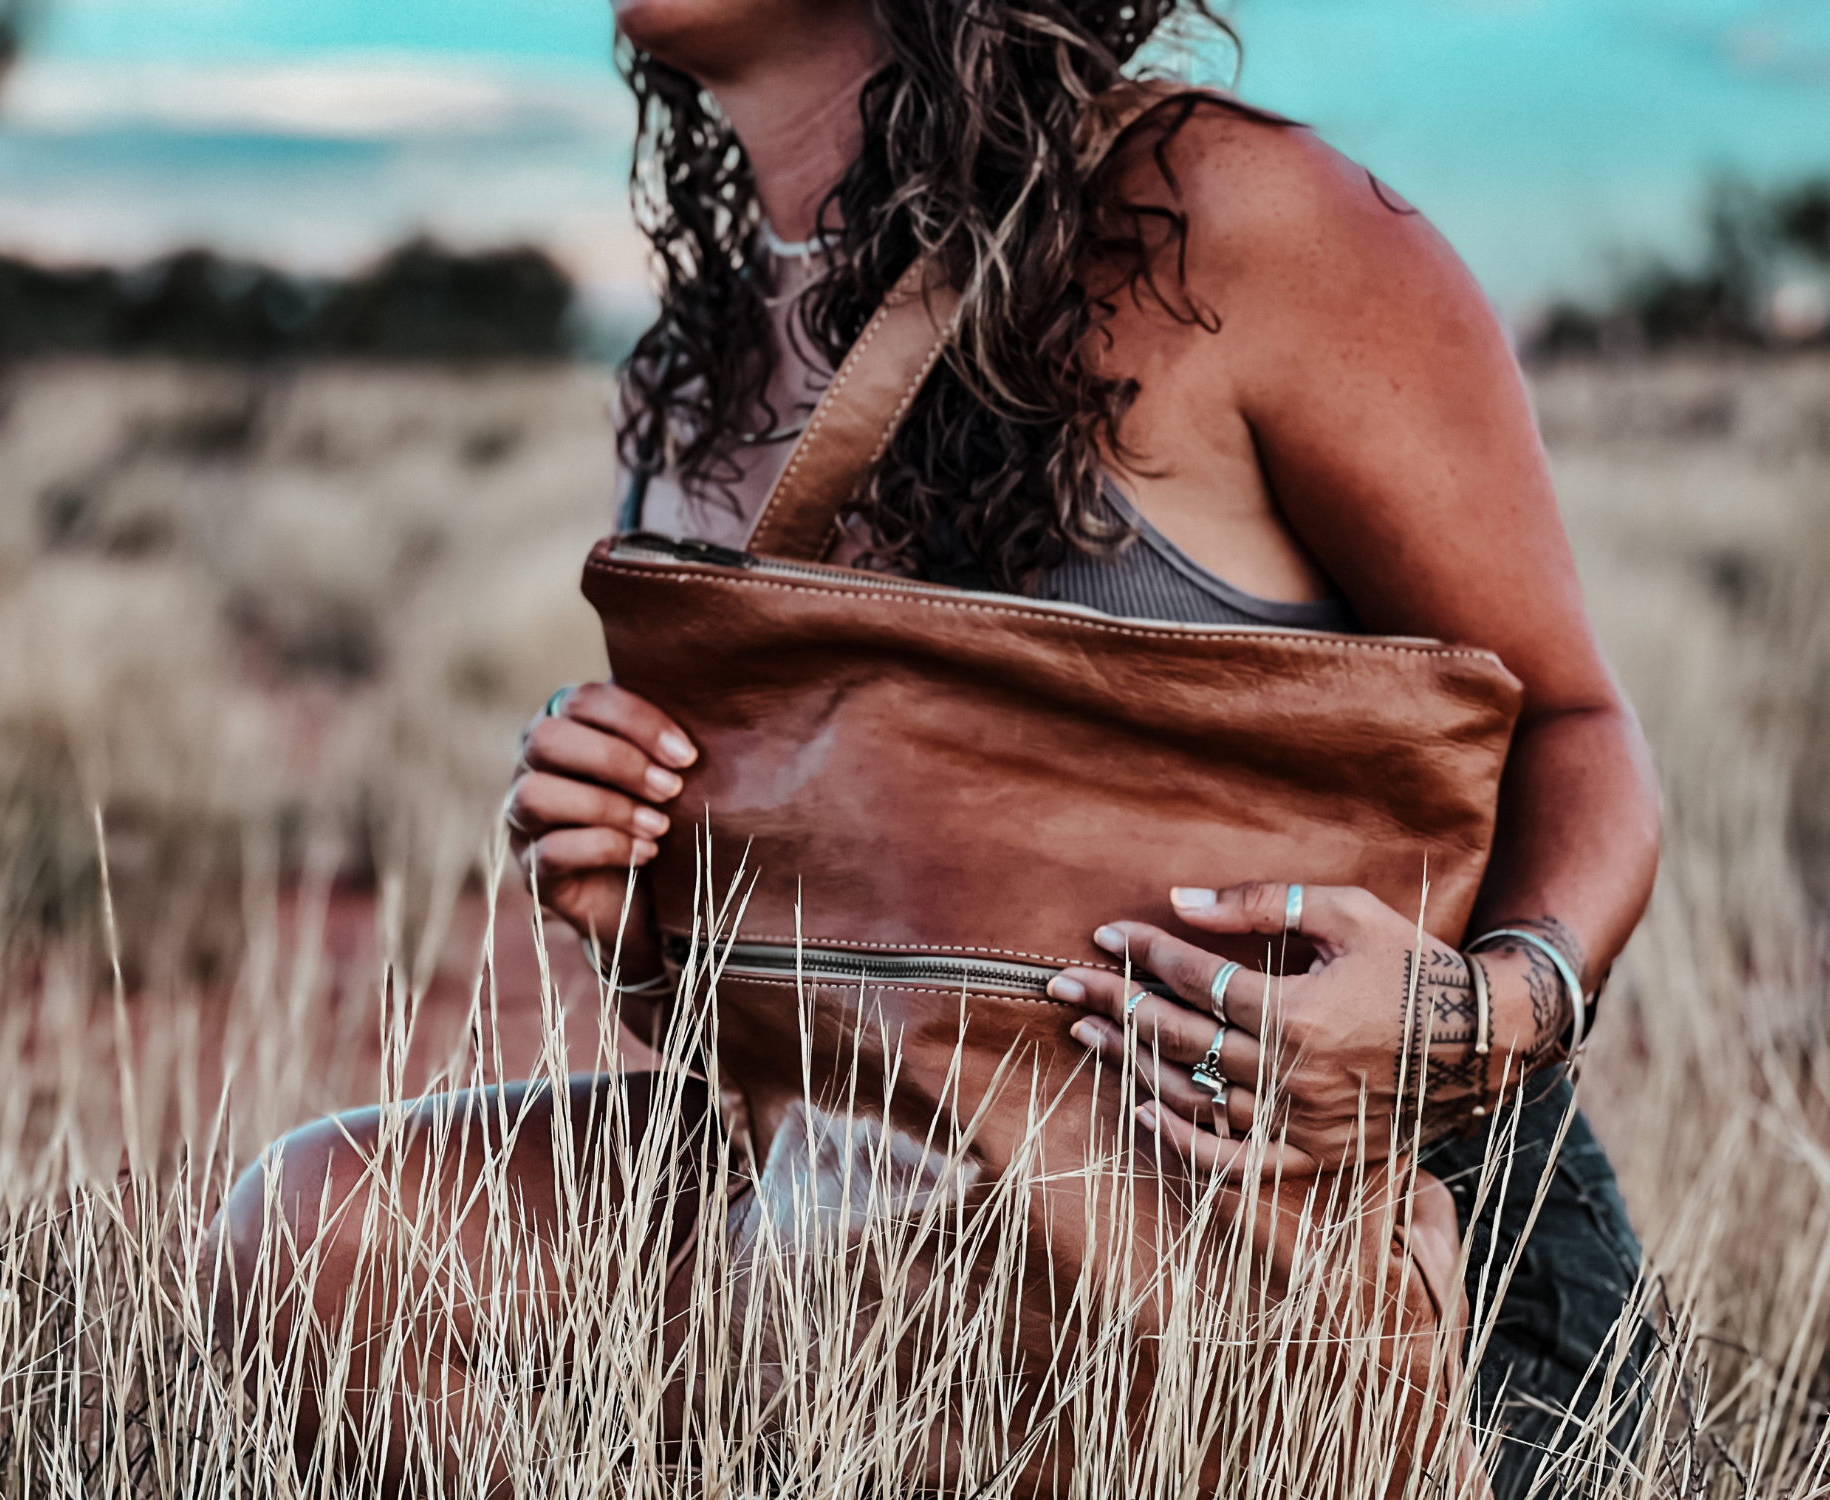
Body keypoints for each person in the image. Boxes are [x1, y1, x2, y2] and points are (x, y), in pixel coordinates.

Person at [211, 2, 1661, 1494]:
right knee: (327, 1224)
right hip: (888, 1241)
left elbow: (1577, 725)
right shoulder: (686, 384)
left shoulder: (1234, 225)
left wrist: (1480, 1013)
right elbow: (823, 1024)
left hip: (1313, 1259)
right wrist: (633, 902)